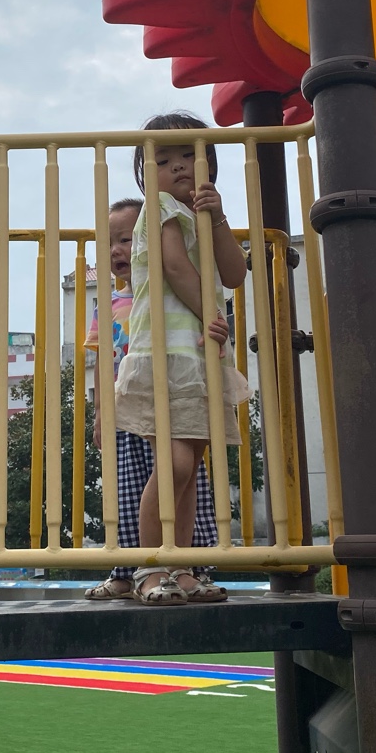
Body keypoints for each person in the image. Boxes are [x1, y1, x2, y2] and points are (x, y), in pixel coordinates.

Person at [115, 111, 247, 606]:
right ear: (145, 174)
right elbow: (173, 265)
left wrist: (220, 217)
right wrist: (212, 312)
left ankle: (181, 568)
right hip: (164, 355)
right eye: (161, 160)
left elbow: (234, 273)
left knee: (190, 471)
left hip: (200, 357)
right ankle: (151, 567)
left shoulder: (201, 214)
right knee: (174, 463)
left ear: (209, 163)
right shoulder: (159, 207)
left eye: (188, 156)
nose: (176, 167)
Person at [84, 197, 226, 603]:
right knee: (128, 494)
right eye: (109, 243)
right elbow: (103, 361)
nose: (117, 250)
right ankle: (127, 572)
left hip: (171, 400)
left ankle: (185, 566)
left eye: (126, 239)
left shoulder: (169, 300)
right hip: (129, 407)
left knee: (181, 479)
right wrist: (101, 412)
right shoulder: (110, 306)